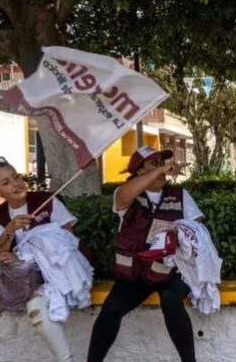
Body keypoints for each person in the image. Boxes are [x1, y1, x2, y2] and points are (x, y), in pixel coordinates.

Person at [87, 146, 202, 362]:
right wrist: (159, 171)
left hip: (172, 270)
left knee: (170, 300)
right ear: (139, 171)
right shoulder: (125, 194)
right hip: (136, 273)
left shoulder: (180, 195)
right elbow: (124, 196)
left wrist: (181, 233)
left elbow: (197, 233)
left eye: (162, 161)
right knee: (111, 308)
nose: (161, 166)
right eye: (154, 163)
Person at [0, 158, 84, 362]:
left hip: (53, 272)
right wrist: (10, 229)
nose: (16, 183)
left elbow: (69, 242)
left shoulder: (46, 201)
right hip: (18, 276)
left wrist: (25, 256)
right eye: (5, 182)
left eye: (16, 177)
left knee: (37, 309)